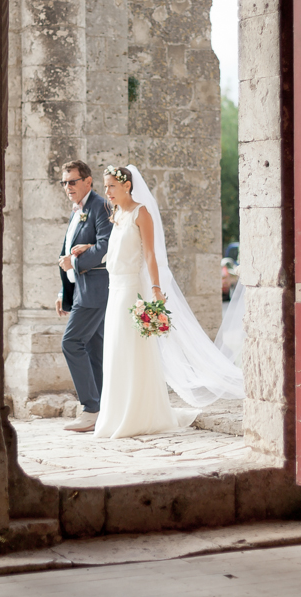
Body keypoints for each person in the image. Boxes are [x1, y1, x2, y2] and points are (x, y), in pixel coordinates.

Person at [76, 165, 243, 440]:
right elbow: (116, 249)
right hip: (114, 290)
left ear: (127, 186)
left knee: (132, 350)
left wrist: (155, 288)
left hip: (131, 291)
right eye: (105, 188)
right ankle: (115, 413)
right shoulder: (116, 214)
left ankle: (138, 413)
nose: (107, 193)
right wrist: (87, 248)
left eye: (111, 187)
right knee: (116, 351)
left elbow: (150, 255)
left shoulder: (142, 213)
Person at [53, 160, 113, 433]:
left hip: (96, 290)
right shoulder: (77, 210)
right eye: (65, 182)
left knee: (72, 342)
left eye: (73, 181)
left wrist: (74, 265)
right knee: (93, 349)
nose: (68, 187)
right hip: (81, 289)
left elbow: (105, 246)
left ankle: (90, 408)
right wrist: (64, 290)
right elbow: (69, 251)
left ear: (88, 181)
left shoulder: (99, 206)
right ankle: (100, 408)